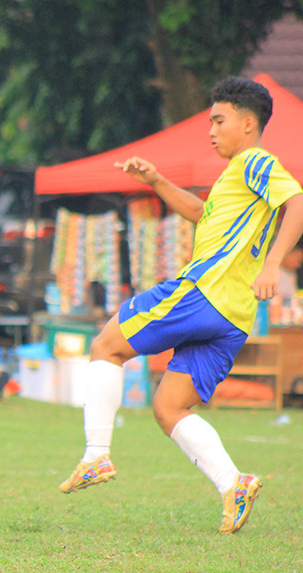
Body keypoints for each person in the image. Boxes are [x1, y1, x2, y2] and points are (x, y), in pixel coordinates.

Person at [59, 76, 303, 534]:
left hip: (203, 294)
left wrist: (273, 264)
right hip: (233, 318)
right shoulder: (236, 175)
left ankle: (96, 455)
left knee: (107, 346)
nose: (210, 130)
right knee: (170, 407)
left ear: (248, 125)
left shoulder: (255, 162)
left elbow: (299, 202)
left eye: (219, 120)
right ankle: (235, 483)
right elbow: (198, 213)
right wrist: (156, 180)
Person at [272, 243, 303, 324]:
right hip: (274, 318)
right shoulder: (273, 272)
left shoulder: (291, 274)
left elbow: (294, 299)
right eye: (297, 260)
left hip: (289, 319)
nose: (298, 265)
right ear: (288, 255)